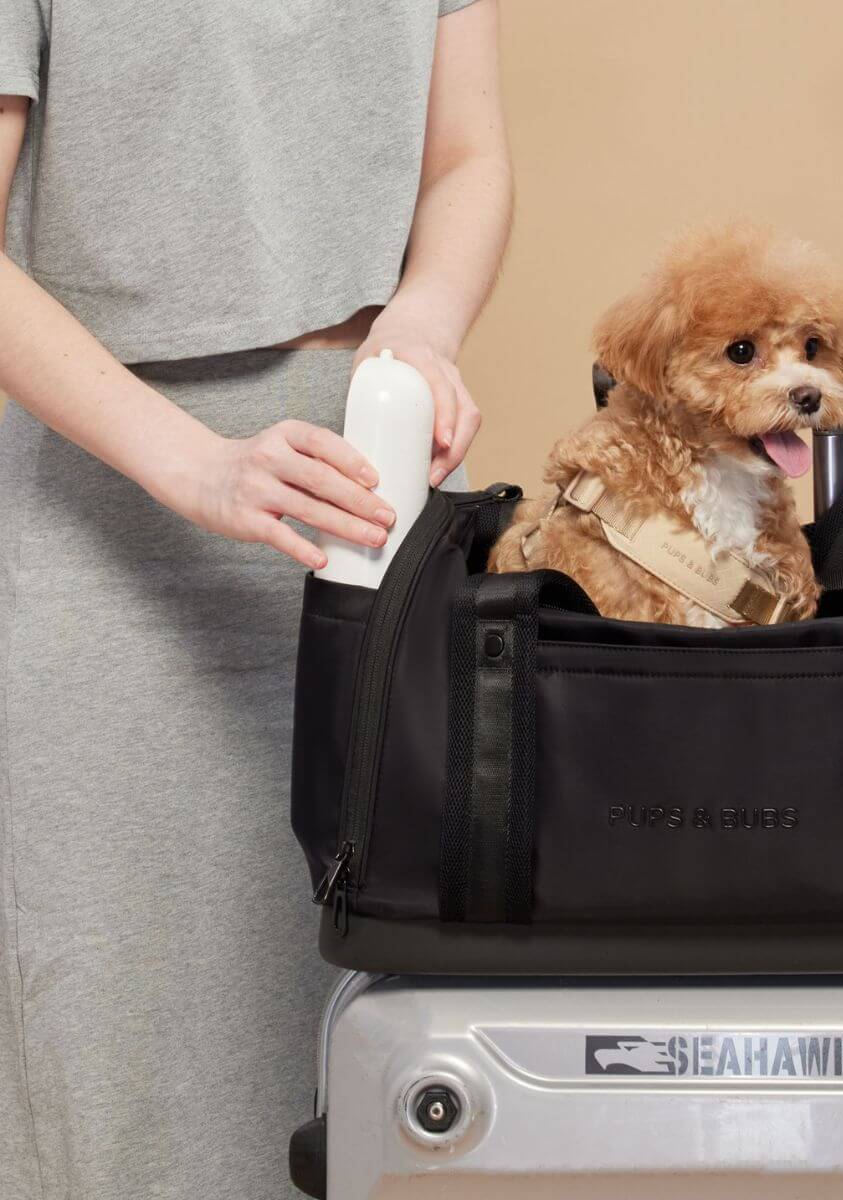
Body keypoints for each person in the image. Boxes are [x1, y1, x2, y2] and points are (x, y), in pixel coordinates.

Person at [0, 1, 512, 1196]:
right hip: (116, 519)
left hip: (380, 494)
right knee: (132, 1075)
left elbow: (468, 157)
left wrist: (419, 330)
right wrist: (196, 464)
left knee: (404, 1068)